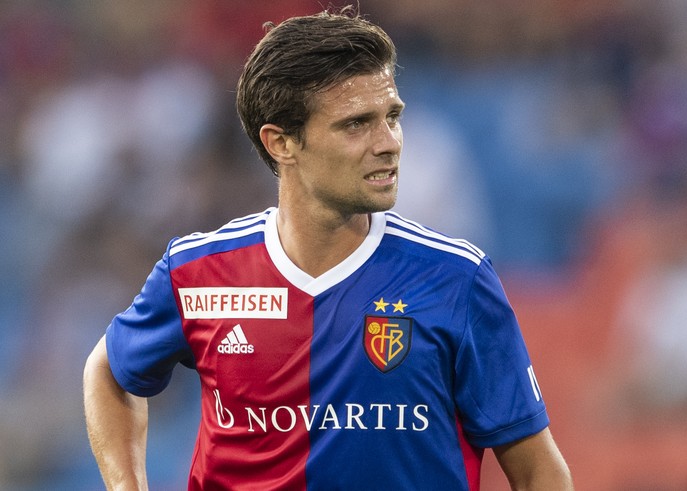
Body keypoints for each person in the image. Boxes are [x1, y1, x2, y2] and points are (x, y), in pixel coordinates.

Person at [83, 7, 573, 490]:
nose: (389, 142)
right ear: (281, 142)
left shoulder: (456, 279)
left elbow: (538, 471)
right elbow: (108, 372)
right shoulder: (197, 272)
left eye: (392, 117)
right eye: (356, 124)